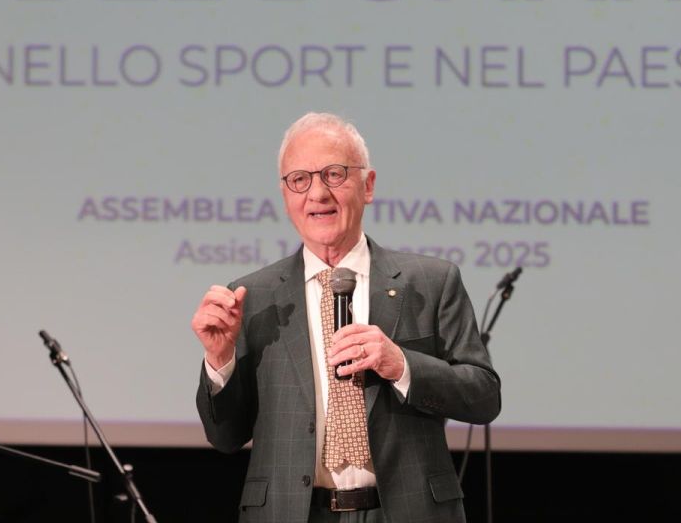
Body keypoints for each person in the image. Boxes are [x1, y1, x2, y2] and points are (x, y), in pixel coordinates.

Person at [191, 112, 501, 522]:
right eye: (299, 179)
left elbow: (484, 397)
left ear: (368, 185)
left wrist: (402, 365)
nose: (317, 194)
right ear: (285, 196)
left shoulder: (431, 282)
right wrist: (219, 361)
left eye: (334, 174)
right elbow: (226, 437)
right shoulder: (254, 297)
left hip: (406, 512)